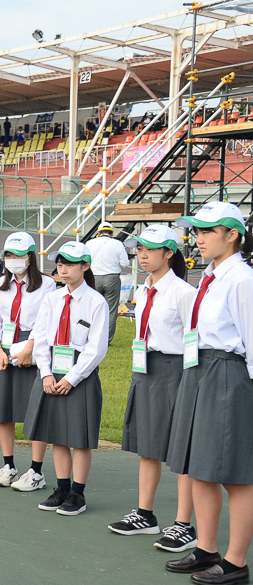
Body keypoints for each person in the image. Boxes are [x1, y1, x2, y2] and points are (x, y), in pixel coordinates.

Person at [165, 201, 253, 585]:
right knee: (199, 468)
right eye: (196, 231)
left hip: (228, 376)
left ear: (232, 235)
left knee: (235, 475)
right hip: (199, 370)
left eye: (208, 231)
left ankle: (235, 562)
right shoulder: (211, 275)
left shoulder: (242, 280)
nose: (198, 238)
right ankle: (207, 548)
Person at [107, 226, 198, 549]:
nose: (142, 255)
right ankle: (145, 514)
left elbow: (193, 339)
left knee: (181, 448)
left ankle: (184, 524)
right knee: (148, 444)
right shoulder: (144, 289)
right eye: (139, 249)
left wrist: (190, 379)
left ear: (169, 253)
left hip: (175, 371)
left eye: (150, 249)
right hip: (145, 369)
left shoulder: (184, 293)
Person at [25, 241, 109, 516]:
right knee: (57, 435)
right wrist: (46, 373)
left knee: (80, 438)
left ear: (85, 266)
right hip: (52, 370)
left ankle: (77, 494)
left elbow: (96, 348)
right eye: (60, 264)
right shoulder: (52, 298)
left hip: (79, 373)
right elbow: (40, 337)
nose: (63, 269)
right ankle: (61, 488)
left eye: (70, 264)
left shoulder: (96, 301)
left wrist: (72, 378)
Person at [0, 232, 57, 489]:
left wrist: (30, 349)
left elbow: (46, 320)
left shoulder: (46, 284)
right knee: (5, 410)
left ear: (30, 257)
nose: (13, 260)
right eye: (8, 255)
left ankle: (36, 470)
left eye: (18, 255)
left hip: (33, 345)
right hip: (5, 346)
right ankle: (9, 465)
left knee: (35, 409)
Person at [84, 222, 128, 344]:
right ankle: (106, 340)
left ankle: (89, 336)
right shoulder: (117, 244)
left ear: (98, 233)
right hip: (112, 278)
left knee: (91, 308)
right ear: (112, 234)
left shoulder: (89, 243)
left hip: (93, 278)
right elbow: (125, 263)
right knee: (111, 310)